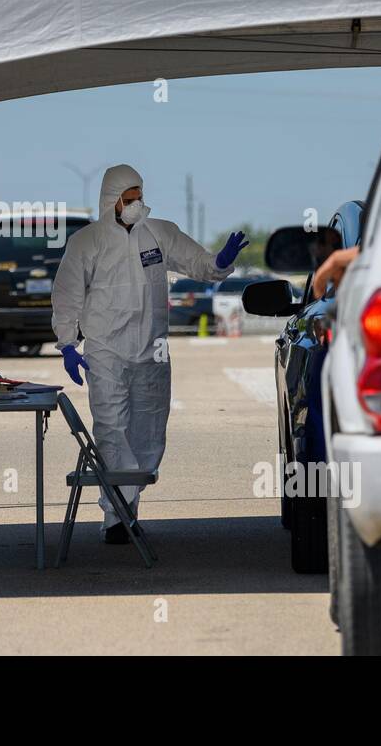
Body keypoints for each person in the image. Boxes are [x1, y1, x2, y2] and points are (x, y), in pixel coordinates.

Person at [51, 164, 249, 543]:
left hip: (152, 352)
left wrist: (221, 263)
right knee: (111, 429)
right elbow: (67, 294)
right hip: (105, 351)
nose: (137, 203)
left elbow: (198, 263)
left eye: (139, 195)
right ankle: (116, 519)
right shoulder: (86, 242)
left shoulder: (159, 233)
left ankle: (128, 506)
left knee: (148, 433)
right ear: (111, 201)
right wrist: (67, 344)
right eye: (129, 198)